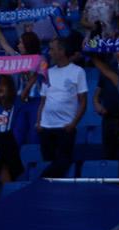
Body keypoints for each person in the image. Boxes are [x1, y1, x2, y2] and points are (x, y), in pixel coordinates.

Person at [37, 37, 88, 178]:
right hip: (46, 127)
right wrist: (39, 122)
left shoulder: (77, 72)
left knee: (62, 162)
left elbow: (83, 101)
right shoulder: (48, 72)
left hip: (65, 128)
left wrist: (73, 124)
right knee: (48, 161)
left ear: (62, 51)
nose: (50, 52)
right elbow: (43, 100)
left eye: (52, 49)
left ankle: (41, 181)